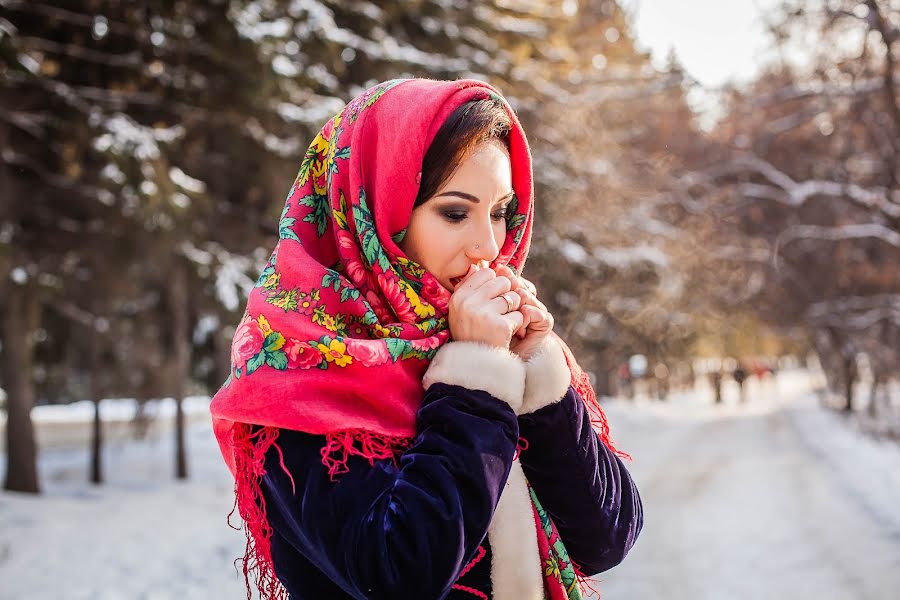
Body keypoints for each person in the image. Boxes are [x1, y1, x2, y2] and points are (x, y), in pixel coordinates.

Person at [210, 78, 642, 600]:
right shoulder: (296, 373)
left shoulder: (486, 341)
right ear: (376, 212)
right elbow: (400, 573)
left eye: (501, 211)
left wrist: (535, 374)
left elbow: (605, 539)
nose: (488, 245)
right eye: (456, 212)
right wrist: (474, 382)